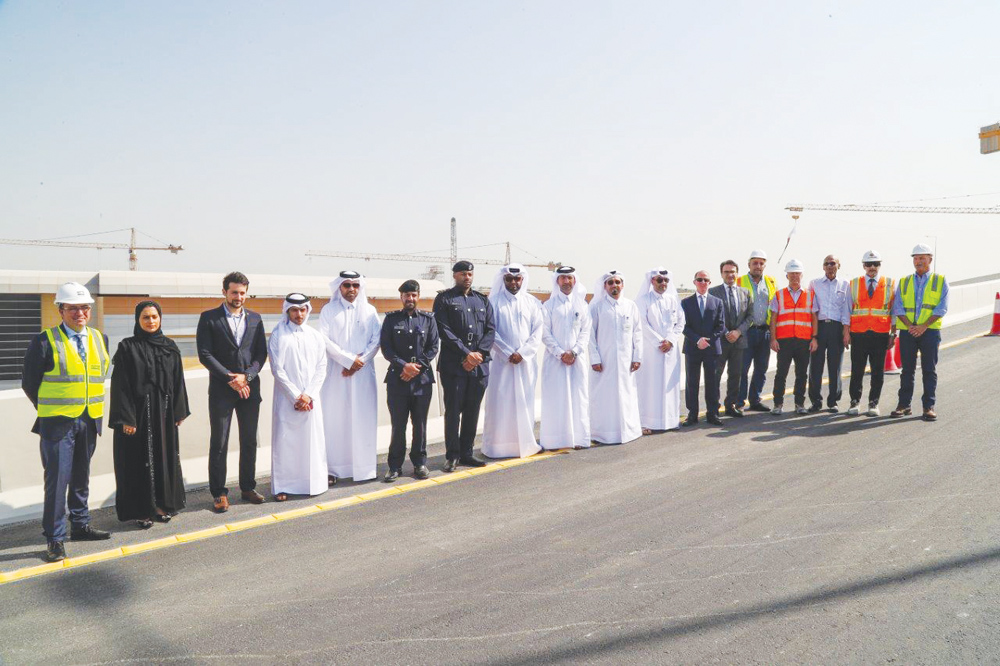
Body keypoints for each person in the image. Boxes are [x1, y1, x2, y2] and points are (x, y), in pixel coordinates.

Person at [21, 282, 112, 562]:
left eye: (84, 307)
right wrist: (49, 409)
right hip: (58, 423)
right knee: (57, 481)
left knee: (81, 477)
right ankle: (55, 538)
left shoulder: (100, 338)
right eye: (72, 308)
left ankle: (80, 525)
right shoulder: (44, 341)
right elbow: (29, 383)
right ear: (60, 310)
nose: (80, 313)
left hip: (89, 419)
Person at [109, 301, 190, 529]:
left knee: (163, 459)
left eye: (154, 317)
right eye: (146, 317)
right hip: (138, 417)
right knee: (137, 462)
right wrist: (126, 418)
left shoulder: (170, 347)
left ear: (160, 318)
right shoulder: (127, 347)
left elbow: (178, 381)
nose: (151, 321)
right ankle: (140, 511)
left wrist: (179, 410)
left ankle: (162, 505)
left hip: (163, 416)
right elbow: (120, 385)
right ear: (138, 320)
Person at [197, 271, 268, 513]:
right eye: (234, 292)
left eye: (242, 292)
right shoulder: (209, 318)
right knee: (220, 442)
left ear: (247, 293)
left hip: (250, 389)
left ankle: (247, 487)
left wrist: (246, 377)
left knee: (249, 440)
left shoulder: (256, 319)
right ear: (224, 292)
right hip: (221, 390)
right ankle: (219, 493)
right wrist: (231, 378)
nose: (238, 296)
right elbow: (205, 354)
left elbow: (261, 354)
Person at [319, 271, 381, 482]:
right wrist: (347, 360)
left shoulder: (370, 311)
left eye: (355, 285)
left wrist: (358, 363)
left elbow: (376, 340)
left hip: (363, 375)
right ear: (339, 287)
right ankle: (334, 470)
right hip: (337, 375)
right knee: (336, 420)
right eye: (347, 285)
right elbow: (324, 340)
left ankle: (364, 469)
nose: (351, 289)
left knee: (363, 420)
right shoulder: (328, 310)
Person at [433, 260, 495, 471]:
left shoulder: (482, 300)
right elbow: (443, 330)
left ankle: (467, 452)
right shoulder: (444, 299)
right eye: (462, 274)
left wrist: (478, 355)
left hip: (479, 366)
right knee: (453, 412)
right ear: (454, 276)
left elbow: (490, 329)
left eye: (469, 274)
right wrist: (466, 354)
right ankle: (452, 455)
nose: (466, 277)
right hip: (454, 365)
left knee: (472, 410)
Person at [268, 294, 329, 500]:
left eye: (303, 309)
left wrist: (309, 395)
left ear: (308, 310)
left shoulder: (315, 335)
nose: (299, 314)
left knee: (312, 441)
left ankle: (314, 483)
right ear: (287, 311)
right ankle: (284, 487)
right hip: (287, 400)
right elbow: (277, 369)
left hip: (311, 399)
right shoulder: (278, 335)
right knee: (286, 443)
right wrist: (296, 396)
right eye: (295, 310)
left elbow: (322, 367)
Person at [380, 280, 439, 482]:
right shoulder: (391, 320)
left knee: (420, 424)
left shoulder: (428, 319)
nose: (410, 299)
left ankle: (419, 463)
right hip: (398, 379)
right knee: (398, 425)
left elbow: (433, 347)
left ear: (418, 296)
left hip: (421, 380)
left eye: (414, 295)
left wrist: (416, 368)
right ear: (401, 297)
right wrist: (403, 366)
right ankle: (394, 466)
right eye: (407, 295)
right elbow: (386, 348)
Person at [482, 264, 543, 459]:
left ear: (522, 280)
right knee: (500, 403)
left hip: (525, 363)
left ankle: (525, 444)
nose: (514, 282)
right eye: (509, 279)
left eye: (517, 279)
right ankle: (498, 447)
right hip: (502, 363)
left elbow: (537, 331)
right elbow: (491, 332)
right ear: (503, 280)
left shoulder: (532, 303)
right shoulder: (493, 302)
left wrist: (523, 353)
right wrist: (508, 352)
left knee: (525, 402)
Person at [891, 243, 949, 421]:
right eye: (916, 258)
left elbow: (941, 308)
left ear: (930, 259)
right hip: (908, 331)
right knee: (906, 370)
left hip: (930, 331)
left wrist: (923, 326)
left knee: (929, 370)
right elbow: (898, 307)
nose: (918, 261)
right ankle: (904, 405)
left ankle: (928, 406)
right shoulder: (904, 281)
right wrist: (910, 326)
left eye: (922, 258)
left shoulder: (940, 280)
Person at [589, 270, 643, 444]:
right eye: (610, 283)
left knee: (627, 395)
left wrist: (637, 356)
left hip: (626, 362)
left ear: (622, 285)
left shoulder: (630, 306)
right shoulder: (596, 307)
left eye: (617, 282)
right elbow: (590, 335)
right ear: (605, 286)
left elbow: (637, 333)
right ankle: (603, 434)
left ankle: (628, 431)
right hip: (604, 362)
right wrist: (595, 358)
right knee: (604, 397)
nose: (614, 286)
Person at [539, 266, 591, 450]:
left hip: (577, 360)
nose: (566, 282)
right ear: (557, 281)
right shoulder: (549, 306)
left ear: (574, 281)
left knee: (579, 398)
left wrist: (574, 352)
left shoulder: (582, 305)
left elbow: (586, 332)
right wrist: (561, 353)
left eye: (569, 278)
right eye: (563, 278)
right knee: (556, 399)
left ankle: (579, 439)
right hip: (555, 361)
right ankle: (554, 440)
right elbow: (544, 333)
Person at [845, 250, 895, 417]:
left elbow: (893, 311)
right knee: (857, 370)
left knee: (877, 371)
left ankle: (874, 403)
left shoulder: (889, 283)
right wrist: (846, 332)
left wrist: (893, 334)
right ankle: (855, 402)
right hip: (858, 334)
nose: (872, 267)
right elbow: (847, 311)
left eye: (875, 264)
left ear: (880, 265)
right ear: (863, 266)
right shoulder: (853, 284)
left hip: (880, 334)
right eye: (868, 264)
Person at [635, 267, 685, 432]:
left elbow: (680, 322)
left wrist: (670, 341)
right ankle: (648, 423)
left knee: (670, 386)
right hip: (651, 351)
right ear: (652, 281)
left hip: (670, 350)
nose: (663, 283)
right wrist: (659, 342)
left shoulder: (672, 300)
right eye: (659, 280)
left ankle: (670, 421)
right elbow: (642, 324)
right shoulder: (643, 301)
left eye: (666, 281)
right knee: (650, 386)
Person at [769, 260, 816, 415]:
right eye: (792, 273)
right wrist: (773, 339)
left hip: (803, 340)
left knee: (802, 374)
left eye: (797, 273)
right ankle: (778, 404)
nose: (795, 276)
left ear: (801, 275)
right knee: (781, 373)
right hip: (784, 340)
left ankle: (799, 404)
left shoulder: (810, 295)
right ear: (787, 275)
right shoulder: (779, 294)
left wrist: (814, 338)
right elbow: (773, 318)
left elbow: (814, 317)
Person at [680, 270, 725, 426]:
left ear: (710, 283)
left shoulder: (717, 302)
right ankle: (692, 414)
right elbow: (683, 326)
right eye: (700, 280)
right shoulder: (685, 303)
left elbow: (721, 326)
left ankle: (712, 413)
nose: (703, 283)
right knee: (692, 382)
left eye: (706, 280)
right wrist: (697, 340)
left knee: (712, 382)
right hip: (692, 348)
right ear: (694, 282)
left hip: (711, 349)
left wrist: (708, 341)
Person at [807, 255, 851, 413]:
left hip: (837, 328)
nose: (830, 266)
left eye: (833, 263)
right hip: (819, 328)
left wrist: (846, 332)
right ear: (823, 267)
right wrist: (813, 335)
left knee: (835, 367)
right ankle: (815, 402)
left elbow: (847, 310)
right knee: (815, 367)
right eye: (827, 264)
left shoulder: (845, 284)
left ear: (839, 265)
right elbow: (811, 310)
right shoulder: (814, 284)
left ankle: (833, 401)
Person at [709, 261, 752, 417]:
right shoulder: (713, 292)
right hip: (720, 341)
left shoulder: (745, 293)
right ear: (721, 274)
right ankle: (713, 407)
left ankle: (730, 405)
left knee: (736, 375)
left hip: (739, 341)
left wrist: (738, 332)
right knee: (716, 375)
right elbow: (713, 317)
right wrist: (727, 332)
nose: (730, 275)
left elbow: (750, 316)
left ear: (737, 273)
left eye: (733, 271)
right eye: (726, 272)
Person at [737, 249, 777, 412]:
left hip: (764, 332)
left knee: (761, 368)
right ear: (749, 264)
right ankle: (739, 402)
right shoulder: (740, 281)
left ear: (765, 265)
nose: (758, 266)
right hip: (746, 332)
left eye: (761, 263)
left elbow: (774, 307)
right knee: (742, 369)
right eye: (755, 263)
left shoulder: (771, 282)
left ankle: (755, 400)